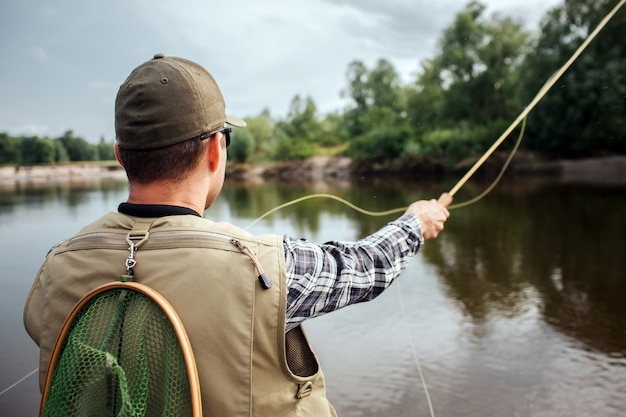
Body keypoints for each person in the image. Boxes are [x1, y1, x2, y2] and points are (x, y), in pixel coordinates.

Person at [24, 54, 451, 416]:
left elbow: (36, 324)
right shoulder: (268, 267)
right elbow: (366, 266)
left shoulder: (55, 266)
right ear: (215, 149)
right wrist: (416, 222)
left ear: (120, 156)